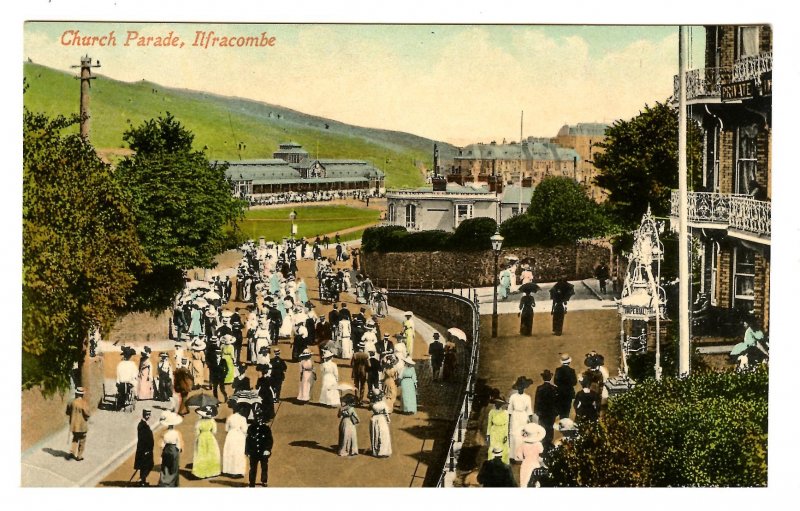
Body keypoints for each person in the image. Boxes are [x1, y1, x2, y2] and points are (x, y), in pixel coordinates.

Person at [508, 376, 534, 462]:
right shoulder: (513, 397)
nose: (520, 389)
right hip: (515, 417)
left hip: (523, 416)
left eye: (522, 387)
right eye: (519, 387)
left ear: (524, 387)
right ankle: (512, 456)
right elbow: (510, 409)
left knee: (522, 435)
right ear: (517, 387)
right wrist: (509, 420)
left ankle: (520, 455)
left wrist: (531, 421)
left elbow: (529, 410)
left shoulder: (527, 397)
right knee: (514, 435)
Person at [192, 405, 222, 479]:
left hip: (201, 437)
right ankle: (212, 471)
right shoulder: (212, 421)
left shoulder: (199, 422)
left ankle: (201, 472)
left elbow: (196, 432)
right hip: (210, 437)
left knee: (201, 454)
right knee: (211, 453)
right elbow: (214, 431)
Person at [245, 411, 274, 487]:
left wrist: (267, 450)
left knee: (264, 467)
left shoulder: (266, 428)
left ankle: (264, 481)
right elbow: (248, 440)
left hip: (263, 452)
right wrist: (247, 451)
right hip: (253, 452)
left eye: (260, 418)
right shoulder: (251, 427)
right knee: (253, 468)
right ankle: (252, 482)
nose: (258, 420)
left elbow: (269, 441)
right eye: (257, 418)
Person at [534, 369, 559, 450]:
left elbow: (537, 401)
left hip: (542, 413)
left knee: (542, 427)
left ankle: (544, 445)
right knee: (550, 428)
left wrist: (537, 412)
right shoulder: (554, 388)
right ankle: (548, 445)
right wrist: (556, 412)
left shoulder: (539, 388)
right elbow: (557, 401)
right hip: (551, 413)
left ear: (543, 378)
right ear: (550, 378)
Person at [158, 411, 183, 487]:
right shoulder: (176, 433)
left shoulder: (164, 433)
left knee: (165, 466)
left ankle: (164, 482)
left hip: (166, 449)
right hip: (174, 449)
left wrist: (163, 449)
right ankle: (173, 483)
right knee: (174, 467)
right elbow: (178, 443)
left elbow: (162, 444)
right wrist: (179, 449)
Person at [223, 404, 249, 478]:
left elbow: (226, 429)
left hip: (230, 435)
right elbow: (245, 430)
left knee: (230, 453)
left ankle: (229, 470)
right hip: (239, 436)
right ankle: (238, 471)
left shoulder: (230, 417)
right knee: (239, 453)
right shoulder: (243, 418)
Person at [65, 387, 90, 461]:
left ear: (76, 393)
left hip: (74, 426)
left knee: (75, 438)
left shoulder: (71, 402)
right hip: (82, 426)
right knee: (82, 440)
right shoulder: (84, 403)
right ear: (82, 395)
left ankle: (72, 453)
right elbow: (87, 414)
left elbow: (67, 412)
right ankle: (79, 456)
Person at [517, 423, 545, 488]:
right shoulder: (539, 444)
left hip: (526, 464)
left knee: (524, 482)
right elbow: (541, 454)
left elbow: (519, 455)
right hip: (536, 464)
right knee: (535, 482)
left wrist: (523, 459)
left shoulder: (523, 444)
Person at [486, 397, 510, 464]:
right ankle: (492, 462)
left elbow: (507, 425)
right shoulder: (492, 412)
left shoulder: (505, 413)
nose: (497, 405)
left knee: (503, 447)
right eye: (496, 403)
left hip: (502, 431)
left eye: (499, 404)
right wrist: (488, 435)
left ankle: (503, 462)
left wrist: (506, 435)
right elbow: (489, 424)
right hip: (494, 431)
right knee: (493, 447)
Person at [554, 353, 577, 420]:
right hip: (569, 392)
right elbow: (574, 382)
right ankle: (565, 422)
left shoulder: (558, 370)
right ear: (569, 362)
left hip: (560, 392)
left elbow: (555, 381)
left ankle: (562, 421)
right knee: (567, 408)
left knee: (561, 409)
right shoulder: (572, 371)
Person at [134, 409, 154, 485]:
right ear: (143, 414)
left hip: (147, 449)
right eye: (146, 414)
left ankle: (143, 480)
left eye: (149, 414)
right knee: (148, 465)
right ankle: (141, 480)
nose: (148, 416)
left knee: (145, 466)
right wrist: (146, 450)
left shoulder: (145, 424)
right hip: (145, 450)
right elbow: (142, 439)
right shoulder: (142, 425)